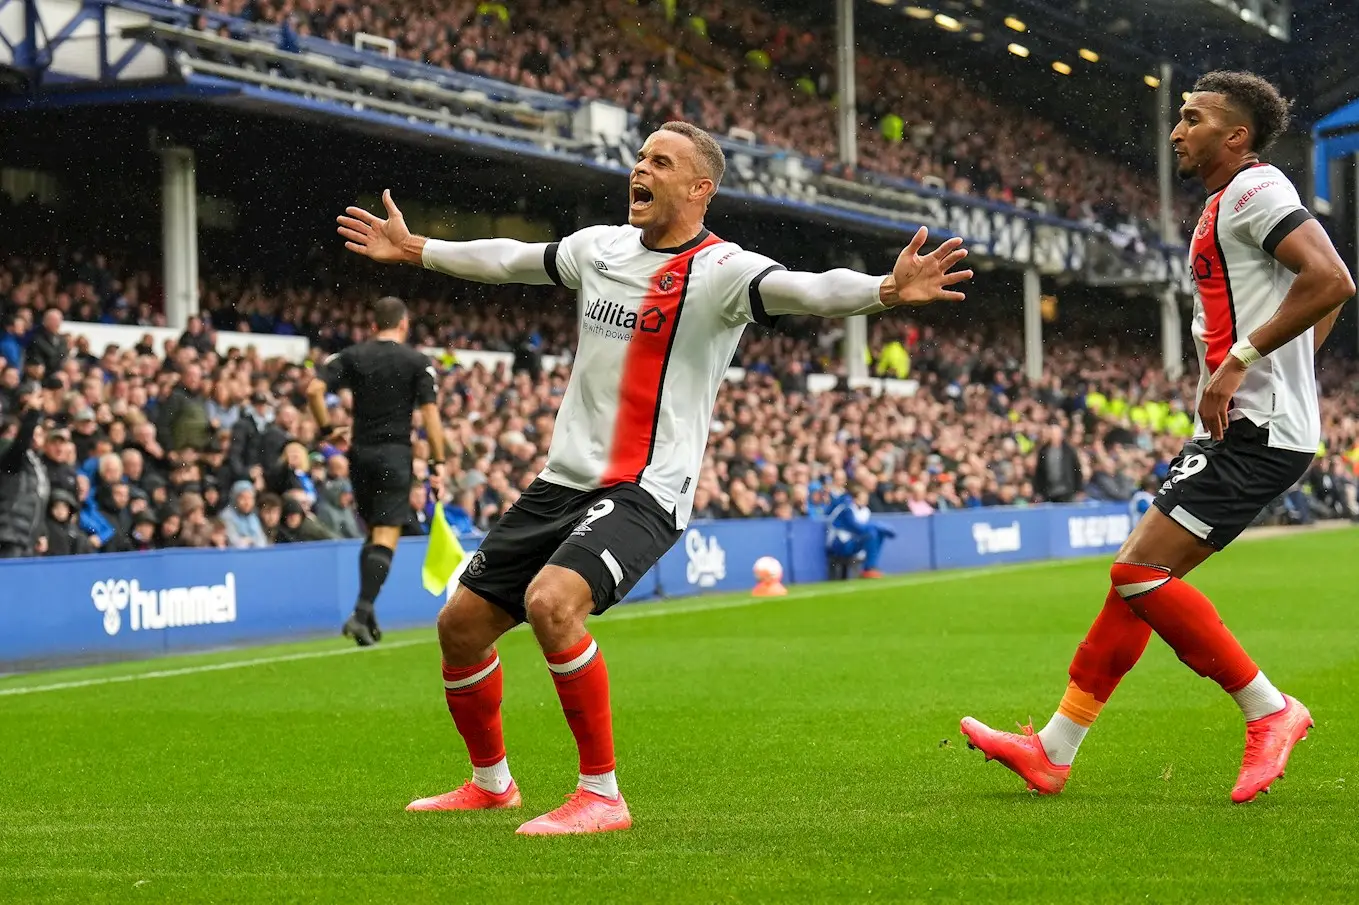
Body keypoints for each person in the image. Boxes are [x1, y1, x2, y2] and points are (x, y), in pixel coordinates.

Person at [337, 120, 971, 833]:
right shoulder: (598, 248)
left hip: (645, 488)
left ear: (700, 189)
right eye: (639, 157)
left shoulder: (721, 271)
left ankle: (601, 794)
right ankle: (491, 783)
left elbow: (807, 289)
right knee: (459, 626)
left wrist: (885, 289)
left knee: (552, 603)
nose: (640, 168)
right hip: (562, 481)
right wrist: (417, 248)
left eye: (660, 162)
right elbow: (511, 258)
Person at [960, 71, 1357, 805]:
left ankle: (1269, 708)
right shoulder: (1224, 201)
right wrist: (1283, 363)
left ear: (1233, 136)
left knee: (1138, 575)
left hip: (1260, 432)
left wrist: (1242, 363)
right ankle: (1052, 748)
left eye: (1192, 118)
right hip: (1249, 426)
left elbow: (1331, 279)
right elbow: (1315, 298)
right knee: (1132, 581)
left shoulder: (1252, 190)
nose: (1176, 131)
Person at [307, 295, 445, 647]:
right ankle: (361, 610)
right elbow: (430, 416)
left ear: (372, 326)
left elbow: (314, 391)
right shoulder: (417, 362)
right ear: (404, 324)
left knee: (373, 536)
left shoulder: (352, 355)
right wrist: (437, 464)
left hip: (360, 455)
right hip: (394, 455)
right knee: (386, 537)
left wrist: (326, 430)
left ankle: (366, 617)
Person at [0, 389, 51, 558]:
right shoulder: (12, 457)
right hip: (9, 536)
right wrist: (33, 413)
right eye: (32, 434)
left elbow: (38, 498)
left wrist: (41, 532)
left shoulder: (36, 463)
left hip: (28, 539)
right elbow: (21, 443)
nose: (35, 438)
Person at [825, 483, 894, 579]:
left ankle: (871, 567)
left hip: (853, 542)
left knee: (878, 534)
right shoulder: (846, 509)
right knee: (872, 532)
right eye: (863, 497)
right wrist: (878, 526)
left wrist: (879, 529)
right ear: (855, 498)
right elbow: (857, 528)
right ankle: (868, 568)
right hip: (839, 545)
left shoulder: (865, 511)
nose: (866, 499)